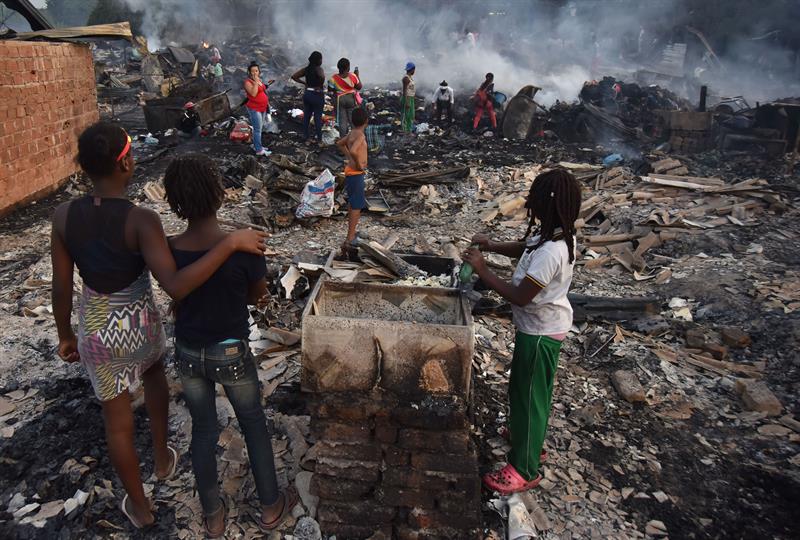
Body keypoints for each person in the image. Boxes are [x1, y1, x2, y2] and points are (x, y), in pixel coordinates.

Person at [50, 122, 267, 529]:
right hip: (141, 327)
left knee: (117, 424)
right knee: (153, 378)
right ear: (127, 163)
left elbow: (61, 286)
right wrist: (231, 242)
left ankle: (140, 506)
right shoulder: (142, 220)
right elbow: (176, 285)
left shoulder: (63, 217)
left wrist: (65, 334)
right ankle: (163, 456)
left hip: (98, 333)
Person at [163, 154, 297, 537]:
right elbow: (258, 297)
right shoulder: (243, 245)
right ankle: (271, 507)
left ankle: (212, 516)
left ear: (174, 201)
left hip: (189, 352)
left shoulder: (170, 248)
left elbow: (176, 291)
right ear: (221, 195)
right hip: (231, 351)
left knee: (203, 430)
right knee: (252, 423)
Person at [461, 169, 581, 495]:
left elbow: (520, 297)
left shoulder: (552, 251)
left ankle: (525, 468)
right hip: (536, 328)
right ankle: (525, 434)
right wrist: (493, 246)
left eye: (534, 199)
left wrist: (484, 270)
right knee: (522, 389)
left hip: (542, 332)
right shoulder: (553, 233)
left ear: (546, 204)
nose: (528, 202)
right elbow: (522, 247)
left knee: (531, 398)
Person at [335, 107, 369, 257]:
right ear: (366, 121)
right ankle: (350, 238)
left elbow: (339, 143)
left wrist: (348, 157)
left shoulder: (351, 133)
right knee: (357, 205)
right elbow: (355, 151)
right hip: (356, 173)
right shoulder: (360, 135)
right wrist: (358, 163)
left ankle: (352, 233)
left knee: (353, 203)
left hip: (351, 172)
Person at [291, 51, 325, 143]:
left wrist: (305, 83)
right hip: (317, 94)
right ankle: (319, 140)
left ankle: (305, 136)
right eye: (321, 59)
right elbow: (322, 77)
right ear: (318, 60)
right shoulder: (319, 69)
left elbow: (294, 76)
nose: (322, 60)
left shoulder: (306, 69)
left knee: (307, 116)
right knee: (317, 117)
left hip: (307, 94)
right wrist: (320, 84)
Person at [244, 61, 274, 157]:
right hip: (254, 109)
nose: (255, 73)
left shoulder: (259, 80)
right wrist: (256, 82)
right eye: (252, 71)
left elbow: (263, 88)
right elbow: (253, 93)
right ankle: (259, 150)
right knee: (257, 129)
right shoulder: (247, 82)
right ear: (249, 72)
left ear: (259, 72)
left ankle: (257, 145)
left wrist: (268, 84)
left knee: (259, 129)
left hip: (262, 108)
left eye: (256, 71)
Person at [329, 57, 362, 136]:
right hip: (351, 99)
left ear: (338, 67)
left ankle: (343, 140)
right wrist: (357, 75)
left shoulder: (333, 78)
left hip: (340, 99)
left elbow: (330, 89)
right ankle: (355, 139)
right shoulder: (353, 76)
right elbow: (359, 87)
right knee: (352, 120)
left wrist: (338, 91)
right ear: (348, 67)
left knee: (342, 121)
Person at [401, 62, 416, 132]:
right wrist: (407, 102)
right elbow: (405, 91)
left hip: (411, 98)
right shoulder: (406, 78)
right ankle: (405, 130)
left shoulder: (410, 77)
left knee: (411, 115)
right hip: (407, 98)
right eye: (414, 70)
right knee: (406, 115)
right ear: (412, 69)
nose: (414, 71)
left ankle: (409, 129)